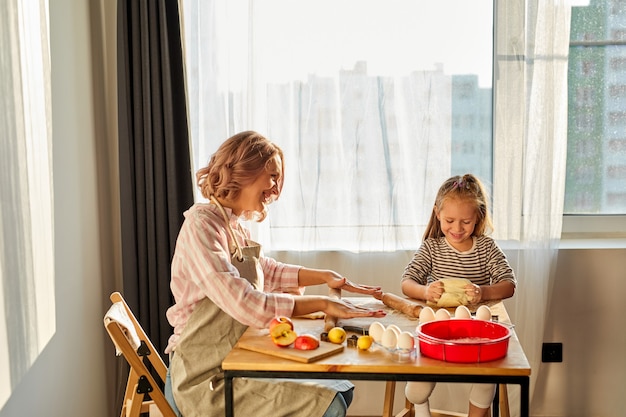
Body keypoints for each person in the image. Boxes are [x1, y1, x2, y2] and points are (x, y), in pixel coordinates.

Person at [163, 131, 386, 417]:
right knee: (330, 404)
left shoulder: (232, 225)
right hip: (204, 379)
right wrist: (322, 303)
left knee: (341, 388)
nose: (276, 189)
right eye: (272, 176)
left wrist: (324, 276)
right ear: (244, 171)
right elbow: (246, 303)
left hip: (237, 362)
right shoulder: (201, 227)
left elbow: (264, 271)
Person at [401, 174, 516, 417]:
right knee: (417, 389)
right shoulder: (432, 248)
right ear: (438, 213)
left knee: (487, 378)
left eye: (465, 222)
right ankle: (421, 410)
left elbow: (509, 284)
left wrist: (483, 292)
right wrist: (424, 291)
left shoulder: (486, 248)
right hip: (437, 330)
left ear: (478, 218)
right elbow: (406, 283)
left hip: (478, 332)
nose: (457, 228)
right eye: (450, 220)